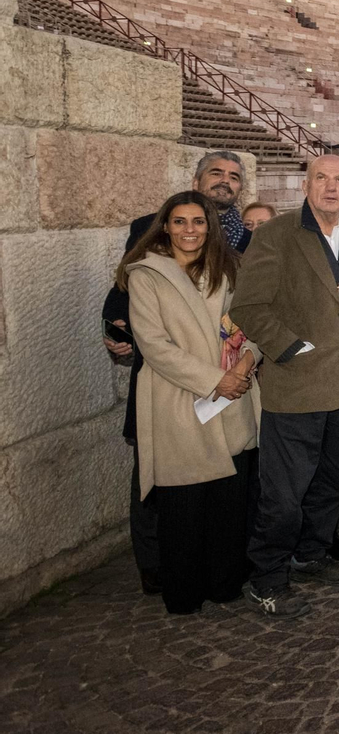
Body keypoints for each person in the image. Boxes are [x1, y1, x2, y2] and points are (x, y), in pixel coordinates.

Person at [232, 153, 339, 618]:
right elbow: (249, 306)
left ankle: (311, 555)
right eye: (321, 178)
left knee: (331, 483)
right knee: (284, 494)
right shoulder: (276, 234)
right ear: (306, 185)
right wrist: (288, 348)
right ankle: (267, 580)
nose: (330, 187)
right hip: (296, 384)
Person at [101, 150, 255, 596]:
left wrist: (244, 364)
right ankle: (160, 572)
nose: (225, 181)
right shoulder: (147, 252)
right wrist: (115, 329)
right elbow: (128, 310)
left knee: (229, 495)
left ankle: (223, 577)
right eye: (216, 173)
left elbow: (252, 318)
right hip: (174, 392)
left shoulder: (242, 247)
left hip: (230, 391)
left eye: (233, 176)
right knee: (169, 494)